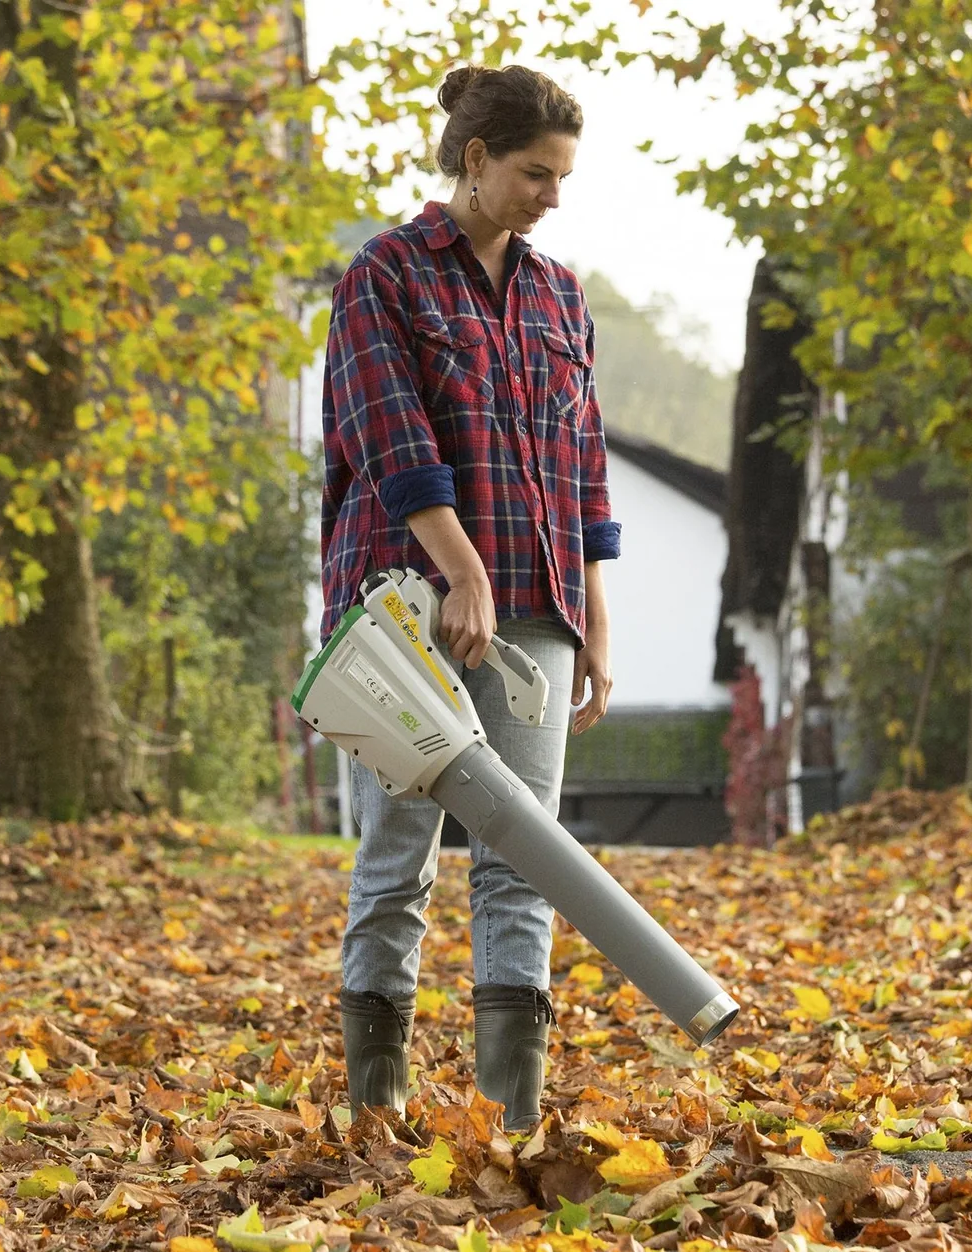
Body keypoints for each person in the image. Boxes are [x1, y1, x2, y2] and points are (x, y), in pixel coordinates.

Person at [318, 64, 618, 1130]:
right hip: (401, 611)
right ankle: (373, 1111)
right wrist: (463, 572)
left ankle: (509, 1120)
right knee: (397, 858)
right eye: (537, 172)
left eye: (564, 177)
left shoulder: (558, 293)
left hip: (534, 610)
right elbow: (392, 443)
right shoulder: (383, 278)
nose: (552, 194)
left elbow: (583, 462)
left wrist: (592, 618)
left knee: (521, 861)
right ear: (477, 157)